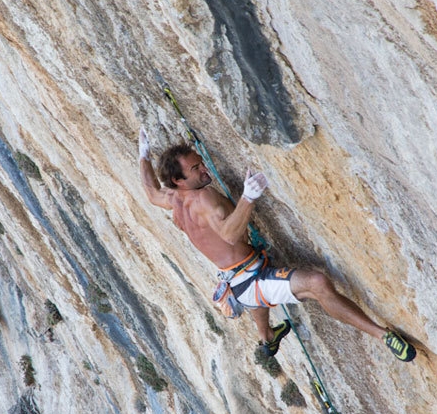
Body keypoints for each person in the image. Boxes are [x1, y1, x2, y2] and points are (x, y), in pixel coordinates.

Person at [138, 128, 416, 362]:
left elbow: (150, 192)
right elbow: (229, 235)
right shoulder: (204, 198)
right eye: (195, 168)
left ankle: (266, 338)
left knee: (259, 288)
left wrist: (143, 156)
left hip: (239, 283)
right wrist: (248, 197)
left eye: (200, 162)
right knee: (317, 283)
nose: (204, 169)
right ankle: (384, 335)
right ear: (178, 180)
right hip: (252, 280)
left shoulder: (173, 199)